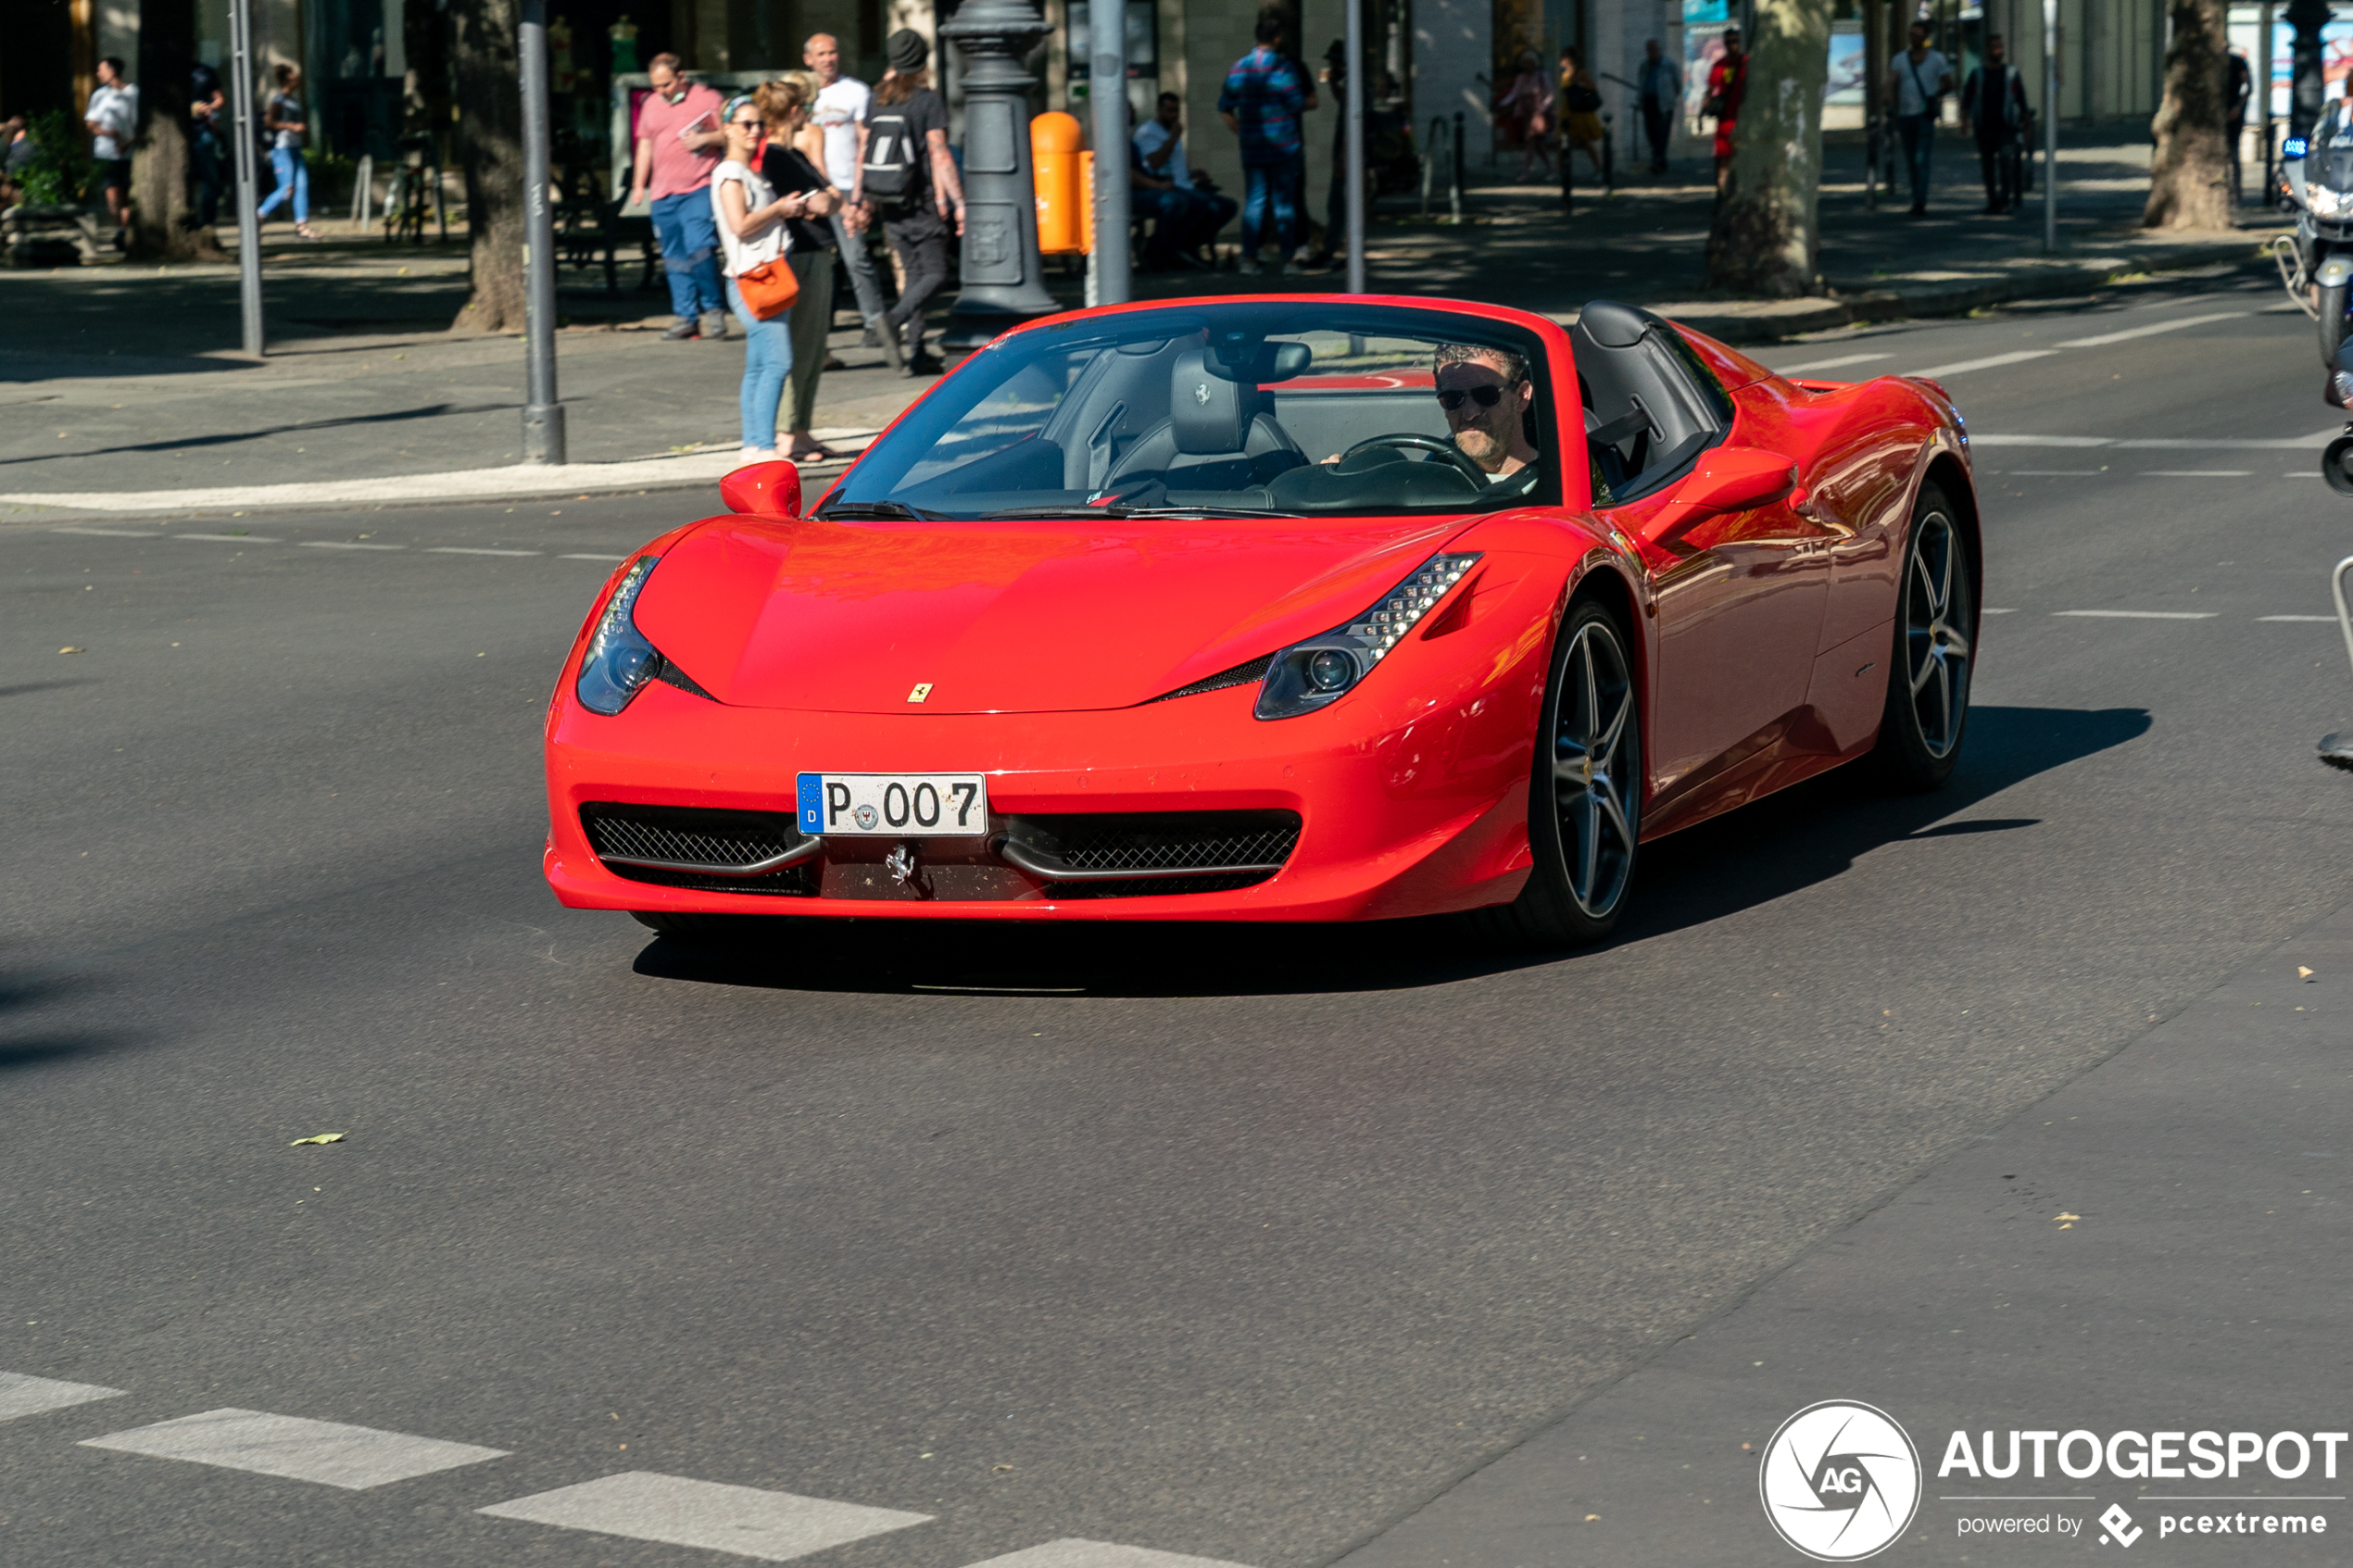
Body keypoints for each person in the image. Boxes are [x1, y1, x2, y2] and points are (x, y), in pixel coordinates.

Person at [854, 30, 963, 376]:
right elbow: (939, 152)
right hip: (921, 200)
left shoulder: (877, 99)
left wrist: (861, 199)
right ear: (921, 59)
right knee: (935, 273)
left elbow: (863, 151)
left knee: (915, 276)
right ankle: (892, 320)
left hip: (887, 199)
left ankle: (915, 354)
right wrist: (957, 200)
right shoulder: (926, 99)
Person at [711, 94, 809, 462]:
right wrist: (781, 208)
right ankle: (764, 448)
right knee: (778, 362)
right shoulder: (731, 173)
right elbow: (739, 225)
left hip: (763, 275)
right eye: (746, 125)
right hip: (755, 278)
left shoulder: (747, 172)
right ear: (728, 130)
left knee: (758, 364)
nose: (755, 131)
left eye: (758, 124)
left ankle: (753, 444)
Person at [756, 75, 845, 460]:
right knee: (801, 349)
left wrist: (826, 199)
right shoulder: (777, 157)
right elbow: (826, 201)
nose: (807, 115)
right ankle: (788, 432)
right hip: (803, 254)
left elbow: (833, 197)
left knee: (813, 349)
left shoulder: (795, 154)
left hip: (818, 252)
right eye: (804, 108)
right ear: (794, 112)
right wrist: (824, 199)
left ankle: (802, 429)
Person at [630, 53, 729, 341]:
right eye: (655, 85)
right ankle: (686, 317)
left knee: (700, 248)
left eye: (666, 84)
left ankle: (713, 309)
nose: (661, 91)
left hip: (699, 186)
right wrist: (639, 185)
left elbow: (731, 133)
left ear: (682, 77)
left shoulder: (708, 98)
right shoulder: (651, 105)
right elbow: (645, 146)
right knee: (674, 257)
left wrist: (706, 139)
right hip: (663, 192)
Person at [804, 32, 889, 355]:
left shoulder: (855, 91)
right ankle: (817, 326)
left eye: (833, 52)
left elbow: (864, 143)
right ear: (808, 59)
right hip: (810, 190)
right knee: (815, 262)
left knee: (856, 259)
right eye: (821, 53)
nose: (828, 58)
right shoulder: (803, 94)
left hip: (843, 187)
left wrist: (861, 193)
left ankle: (874, 323)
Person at [1220, 9, 1316, 276]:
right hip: (1283, 146)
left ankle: (1249, 258)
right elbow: (1297, 103)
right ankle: (1289, 259)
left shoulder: (1239, 67)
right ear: (1277, 38)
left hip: (1252, 147)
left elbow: (1225, 107)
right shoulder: (1283, 68)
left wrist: (1240, 131)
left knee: (1255, 202)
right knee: (1284, 203)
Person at [1136, 90, 1235, 268]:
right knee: (1204, 205)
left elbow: (1174, 165)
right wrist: (1173, 138)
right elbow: (1156, 163)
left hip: (1185, 184)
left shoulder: (1172, 130)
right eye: (1169, 111)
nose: (1173, 115)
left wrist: (1193, 173)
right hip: (1165, 185)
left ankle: (1189, 245)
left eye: (1176, 111)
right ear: (1159, 110)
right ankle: (1165, 249)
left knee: (1227, 206)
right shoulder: (1148, 133)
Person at [1888, 20, 1953, 216]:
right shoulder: (1900, 59)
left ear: (1926, 37)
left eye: (1917, 34)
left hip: (1925, 116)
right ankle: (1916, 195)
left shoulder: (1937, 59)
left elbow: (1948, 82)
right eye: (1911, 34)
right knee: (1911, 159)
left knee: (1921, 158)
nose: (1913, 37)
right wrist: (1887, 94)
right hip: (1905, 115)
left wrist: (1937, 95)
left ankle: (1920, 200)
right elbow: (1892, 80)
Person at [1960, 34, 2030, 215]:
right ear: (1987, 50)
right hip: (1984, 126)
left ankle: (2005, 201)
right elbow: (1967, 99)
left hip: (2006, 126)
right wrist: (1964, 121)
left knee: (2006, 163)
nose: (1998, 50)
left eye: (2000, 47)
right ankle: (1992, 201)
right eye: (1994, 47)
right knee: (1988, 166)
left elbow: (2021, 98)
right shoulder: (1977, 74)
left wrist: (2026, 118)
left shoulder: (2011, 73)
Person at [256, 64, 320, 240]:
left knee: (302, 185)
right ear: (286, 81)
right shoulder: (279, 100)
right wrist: (291, 126)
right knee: (286, 189)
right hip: (282, 148)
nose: (298, 82)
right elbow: (268, 122)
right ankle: (259, 215)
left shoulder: (294, 100)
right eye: (294, 79)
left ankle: (302, 226)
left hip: (295, 147)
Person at [85, 57, 139, 245]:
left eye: (101, 70)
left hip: (128, 152)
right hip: (105, 152)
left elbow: (140, 124)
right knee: (112, 193)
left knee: (126, 194)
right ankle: (119, 229)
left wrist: (129, 143)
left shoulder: (133, 93)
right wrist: (107, 133)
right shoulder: (99, 95)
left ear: (113, 71)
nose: (98, 74)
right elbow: (91, 124)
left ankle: (125, 231)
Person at [1498, 49, 1555, 181]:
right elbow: (1514, 94)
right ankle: (1551, 169)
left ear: (1534, 63)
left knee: (1531, 142)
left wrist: (1543, 107)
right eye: (1524, 63)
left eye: (1528, 63)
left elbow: (1551, 94)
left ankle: (1526, 172)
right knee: (1538, 144)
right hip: (1527, 114)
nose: (1526, 66)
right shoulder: (1521, 78)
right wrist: (1502, 103)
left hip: (1539, 114)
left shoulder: (1542, 75)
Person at [1705, 29, 1745, 193]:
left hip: (1743, 119)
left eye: (1734, 41)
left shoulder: (1747, 62)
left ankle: (1738, 194)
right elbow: (1710, 90)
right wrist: (1702, 113)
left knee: (1742, 160)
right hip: (1725, 121)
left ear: (1739, 42)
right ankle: (1721, 196)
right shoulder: (1719, 65)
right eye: (1728, 42)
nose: (1731, 45)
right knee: (1722, 161)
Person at [1558, 47, 1605, 183]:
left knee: (1585, 141)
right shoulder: (1564, 75)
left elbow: (1593, 90)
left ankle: (1599, 168)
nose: (1561, 59)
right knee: (1564, 141)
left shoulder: (1581, 73)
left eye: (1564, 56)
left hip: (1579, 112)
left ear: (1571, 59)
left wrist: (1578, 84)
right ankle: (1561, 170)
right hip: (1568, 110)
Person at [190, 60, 227, 228]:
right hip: (181, 134)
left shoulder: (204, 71)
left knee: (209, 180)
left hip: (203, 132)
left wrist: (210, 109)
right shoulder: (167, 71)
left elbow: (219, 99)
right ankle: (189, 222)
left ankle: (208, 223)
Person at [1637, 38, 1680, 176]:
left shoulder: (1669, 65)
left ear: (1659, 50)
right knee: (1651, 133)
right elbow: (1641, 83)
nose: (1651, 53)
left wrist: (1671, 97)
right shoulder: (1644, 65)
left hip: (1664, 103)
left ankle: (1657, 162)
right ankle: (1661, 162)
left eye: (1653, 50)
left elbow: (1677, 84)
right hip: (1649, 101)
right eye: (1648, 50)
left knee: (1662, 133)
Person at [2228, 45, 2255, 203]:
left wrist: (2238, 106)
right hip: (2218, 113)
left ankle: (2236, 194)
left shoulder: (2236, 62)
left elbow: (2248, 85)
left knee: (2232, 152)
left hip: (2232, 110)